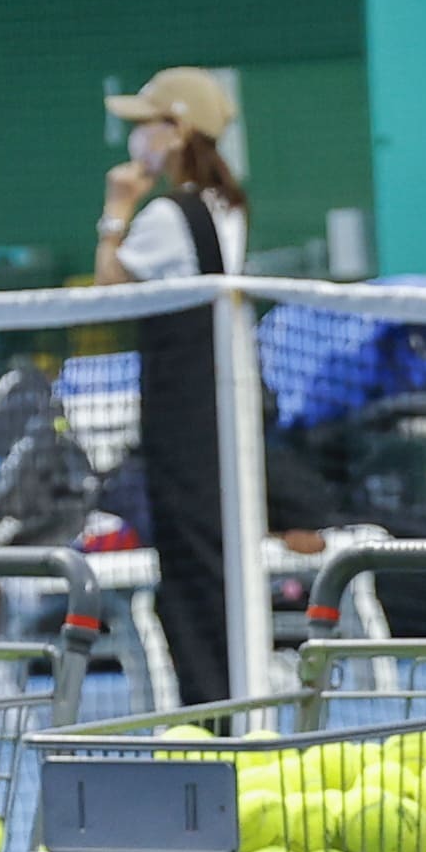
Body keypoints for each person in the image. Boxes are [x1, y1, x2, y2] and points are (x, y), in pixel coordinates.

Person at [95, 67, 252, 707]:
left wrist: (115, 212)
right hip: (221, 404)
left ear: (177, 129)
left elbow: (109, 289)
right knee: (212, 563)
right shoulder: (229, 205)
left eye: (146, 125)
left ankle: (210, 710)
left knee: (190, 569)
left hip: (184, 416)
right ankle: (227, 701)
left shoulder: (163, 214)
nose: (136, 139)